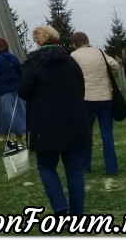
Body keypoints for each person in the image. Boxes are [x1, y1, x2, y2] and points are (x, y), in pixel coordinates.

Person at [18, 25, 91, 217]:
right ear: (56, 39)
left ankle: (60, 207)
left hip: (45, 123)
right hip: (73, 120)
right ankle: (77, 214)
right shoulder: (71, 62)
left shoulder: (33, 65)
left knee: (46, 166)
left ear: (38, 41)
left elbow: (24, 92)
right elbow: (81, 88)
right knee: (74, 169)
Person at [71, 31, 120, 176]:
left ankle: (85, 166)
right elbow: (115, 65)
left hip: (87, 99)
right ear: (87, 40)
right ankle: (112, 168)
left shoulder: (74, 56)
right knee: (107, 134)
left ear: (74, 43)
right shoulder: (99, 52)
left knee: (86, 134)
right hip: (105, 97)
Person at [0, 37, 26, 152]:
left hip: (2, 91)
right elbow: (21, 73)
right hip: (16, 90)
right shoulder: (14, 58)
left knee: (3, 117)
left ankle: (9, 142)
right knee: (18, 115)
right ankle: (19, 142)